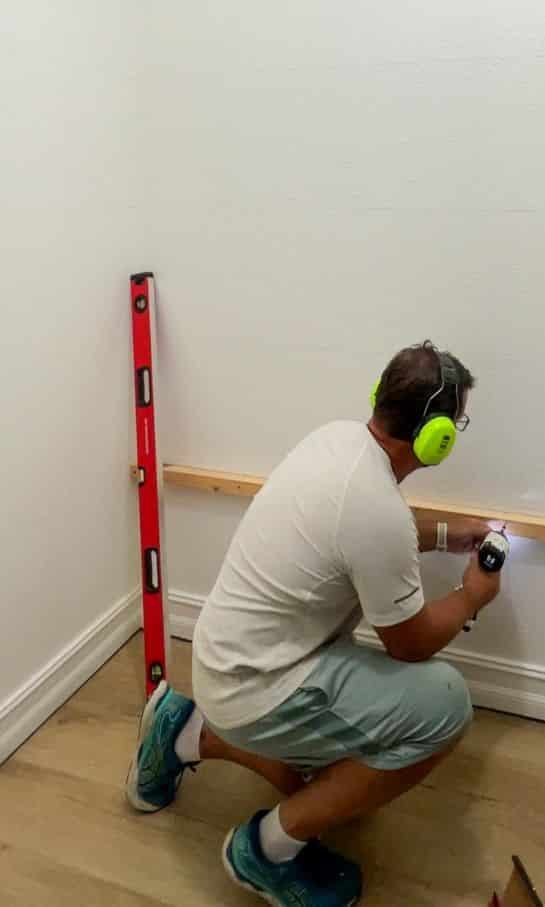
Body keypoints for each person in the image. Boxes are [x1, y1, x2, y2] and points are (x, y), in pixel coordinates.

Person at [126, 341, 501, 906]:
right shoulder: (373, 504)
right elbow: (411, 644)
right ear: (436, 437)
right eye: (457, 424)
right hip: (261, 683)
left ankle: (181, 732)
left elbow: (378, 531)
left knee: (333, 768)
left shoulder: (338, 442)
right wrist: (471, 596)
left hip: (229, 661)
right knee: (444, 705)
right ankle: (267, 850)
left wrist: (448, 535)